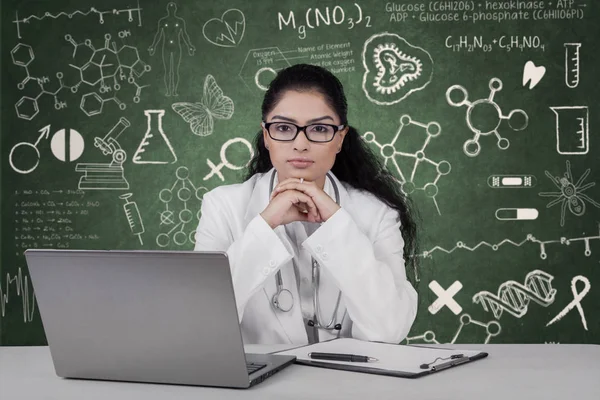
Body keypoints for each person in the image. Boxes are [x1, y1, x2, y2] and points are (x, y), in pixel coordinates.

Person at [194, 64, 419, 345]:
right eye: (284, 128)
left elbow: (389, 331)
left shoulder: (377, 214)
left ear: (339, 139)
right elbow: (200, 320)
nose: (300, 144)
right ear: (266, 136)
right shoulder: (222, 206)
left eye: (319, 128)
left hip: (349, 384)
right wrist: (264, 226)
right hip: (257, 385)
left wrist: (338, 226)